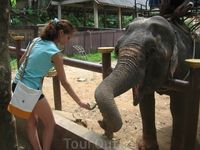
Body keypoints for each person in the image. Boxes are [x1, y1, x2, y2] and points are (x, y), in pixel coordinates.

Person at [12, 18, 90, 150]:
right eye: (68, 37)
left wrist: (42, 72)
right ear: (60, 33)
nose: (68, 41)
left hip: (17, 84)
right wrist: (79, 102)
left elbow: (21, 62)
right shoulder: (55, 53)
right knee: (50, 124)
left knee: (32, 123)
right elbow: (64, 82)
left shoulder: (35, 41)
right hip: (31, 90)